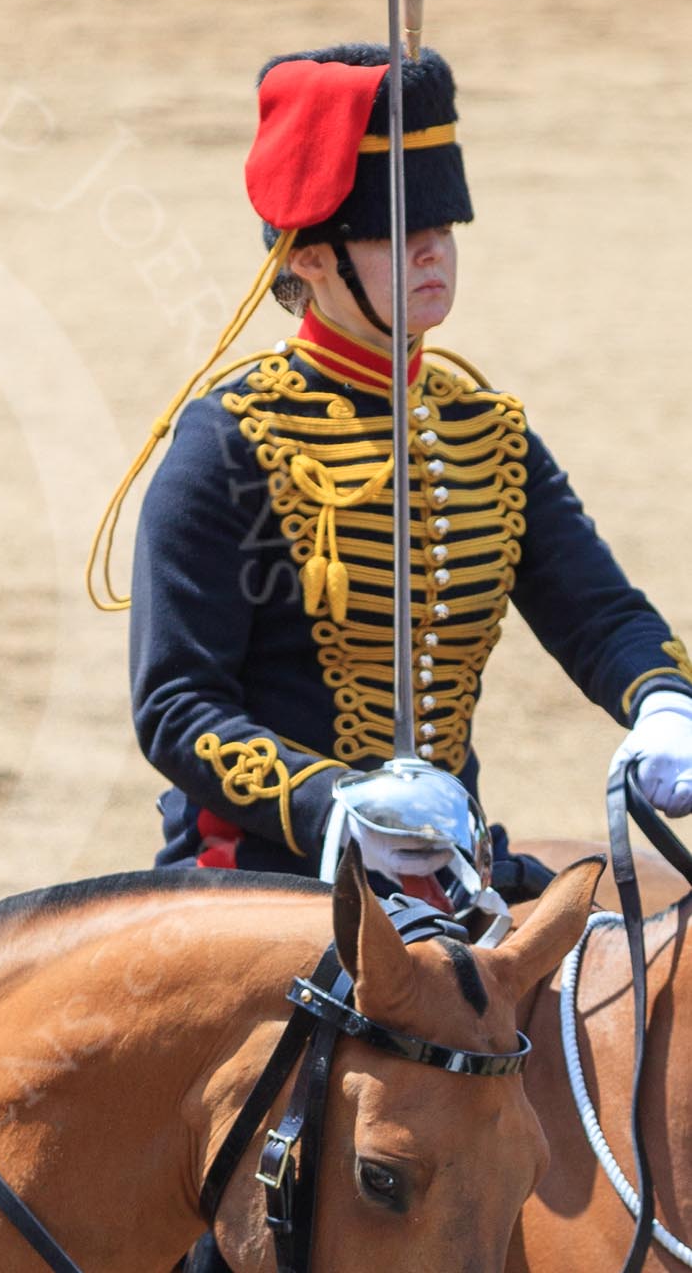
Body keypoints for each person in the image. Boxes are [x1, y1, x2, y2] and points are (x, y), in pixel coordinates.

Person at [90, 44, 692, 893]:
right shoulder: (229, 441)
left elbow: (599, 615)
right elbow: (177, 706)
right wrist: (333, 805)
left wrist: (663, 700)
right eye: (393, 235)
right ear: (307, 258)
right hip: (266, 876)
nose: (432, 252)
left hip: (451, 867)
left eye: (442, 228)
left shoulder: (483, 429)